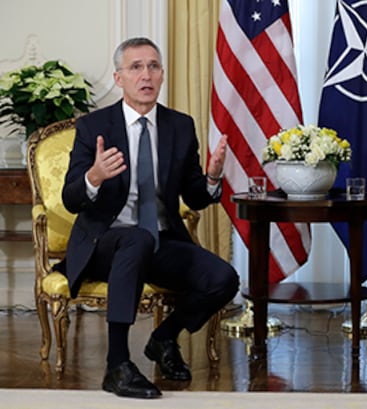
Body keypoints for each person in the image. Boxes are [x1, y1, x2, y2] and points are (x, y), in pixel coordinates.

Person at [61, 37, 239, 399]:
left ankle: (163, 338)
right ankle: (117, 365)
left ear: (162, 76)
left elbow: (194, 197)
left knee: (224, 278)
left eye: (154, 66)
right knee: (135, 239)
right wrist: (93, 176)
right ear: (119, 78)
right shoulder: (94, 127)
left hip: (159, 239)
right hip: (104, 242)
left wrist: (213, 178)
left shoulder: (180, 126)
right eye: (136, 67)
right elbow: (70, 198)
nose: (146, 74)